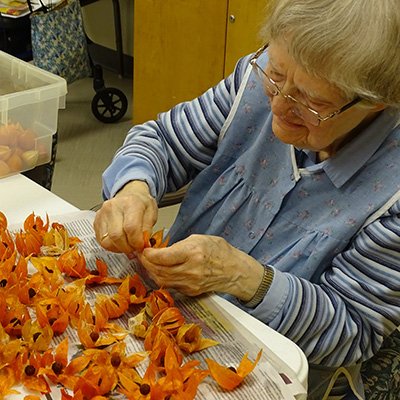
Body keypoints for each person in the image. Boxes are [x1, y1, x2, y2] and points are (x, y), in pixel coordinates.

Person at [94, 0, 400, 398]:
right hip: (163, 321)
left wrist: (243, 278)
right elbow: (164, 142)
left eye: (312, 102)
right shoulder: (256, 83)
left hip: (274, 376)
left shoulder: (391, 194)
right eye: (274, 74)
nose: (277, 104)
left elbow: (349, 333)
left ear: (374, 103)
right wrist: (133, 188)